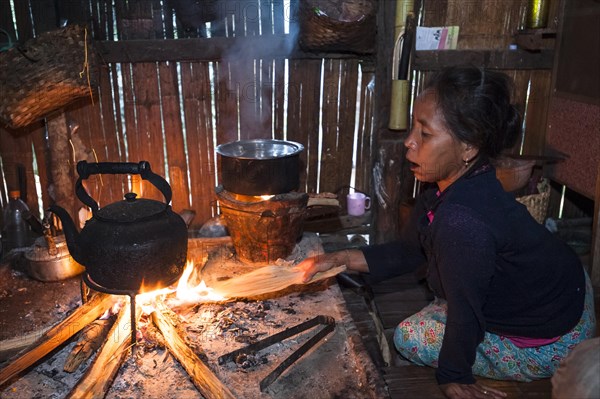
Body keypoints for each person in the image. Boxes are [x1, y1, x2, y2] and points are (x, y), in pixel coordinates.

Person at [299, 66, 596, 399]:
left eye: (425, 134)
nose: (409, 141)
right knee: (450, 283)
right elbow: (410, 252)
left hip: (557, 338)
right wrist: (340, 259)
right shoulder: (454, 188)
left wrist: (454, 374)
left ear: (468, 147)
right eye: (414, 127)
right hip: (569, 286)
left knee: (409, 336)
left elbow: (466, 309)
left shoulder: (461, 221)